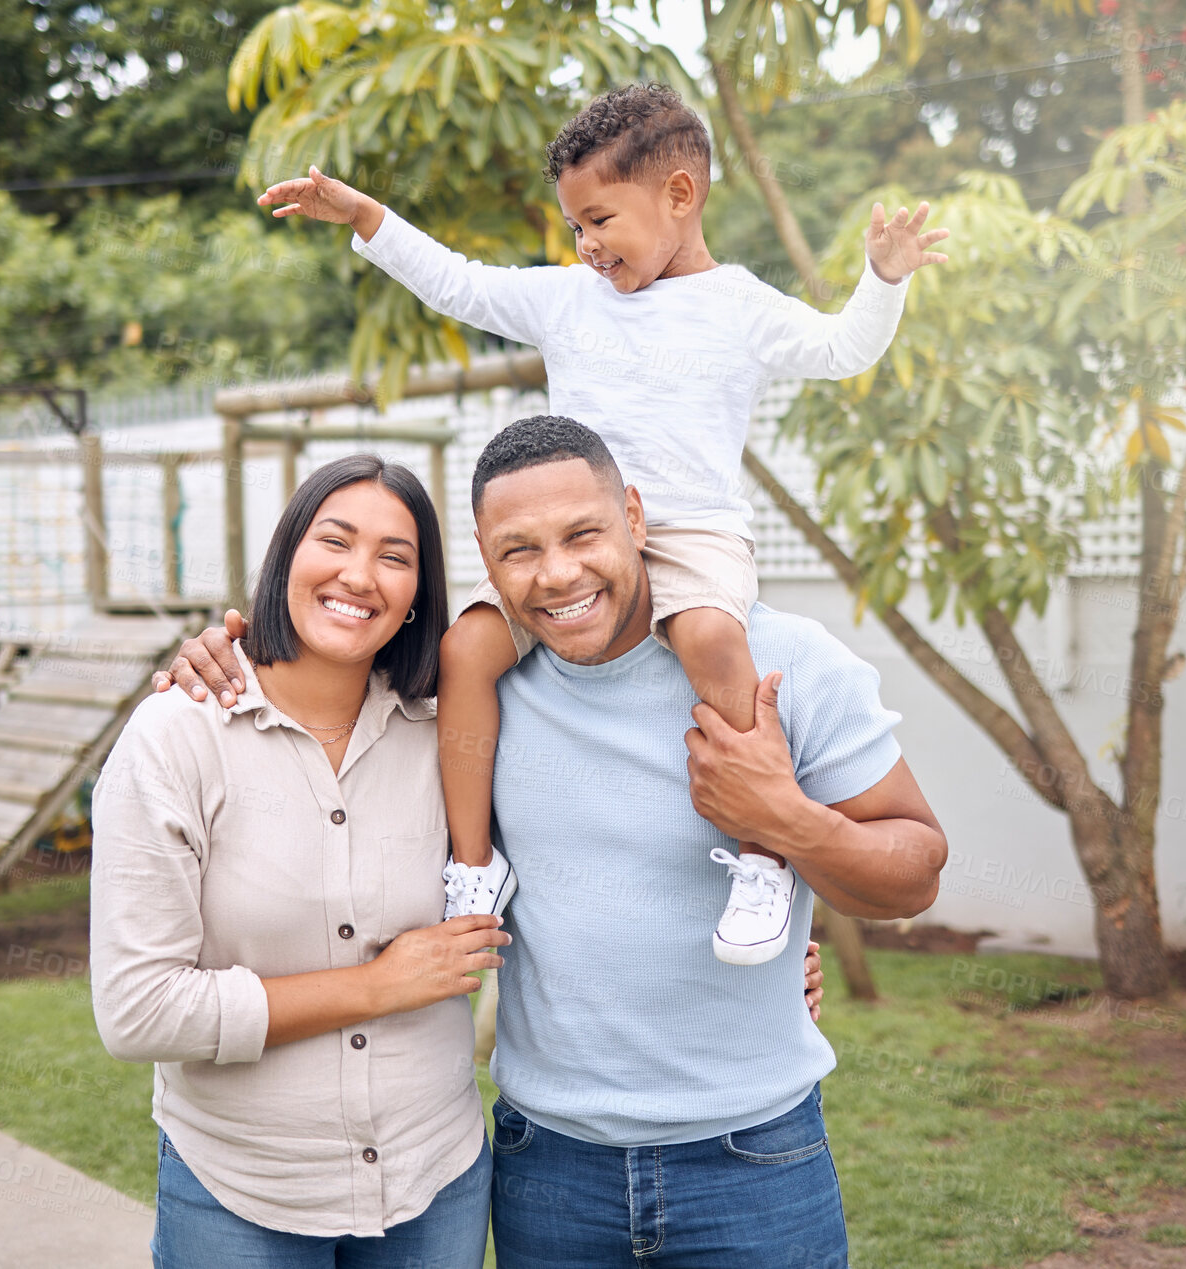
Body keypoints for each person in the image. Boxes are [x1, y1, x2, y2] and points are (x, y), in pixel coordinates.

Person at [164, 416, 947, 1268]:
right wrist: (216, 654)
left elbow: (915, 872)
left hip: (752, 1158)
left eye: (585, 534)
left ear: (636, 519)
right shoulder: (468, 696)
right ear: (483, 556)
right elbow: (322, 672)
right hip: (549, 1169)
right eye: (520, 549)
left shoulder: (782, 662)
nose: (559, 572)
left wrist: (786, 821)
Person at [257, 83, 949, 966]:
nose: (586, 246)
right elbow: (459, 284)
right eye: (575, 227)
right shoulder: (566, 301)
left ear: (680, 196)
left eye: (600, 221)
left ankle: (763, 859)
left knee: (709, 638)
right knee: (467, 650)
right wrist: (366, 217)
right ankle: (473, 866)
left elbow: (842, 350)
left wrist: (882, 280)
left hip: (692, 530)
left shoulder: (738, 306)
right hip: (567, 541)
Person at [89, 454, 507, 1267]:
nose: (360, 574)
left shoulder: (453, 731)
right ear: (287, 556)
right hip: (243, 1195)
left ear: (420, 591)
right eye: (336, 541)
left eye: (395, 556)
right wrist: (377, 986)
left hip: (437, 1179)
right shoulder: (177, 735)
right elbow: (137, 1010)